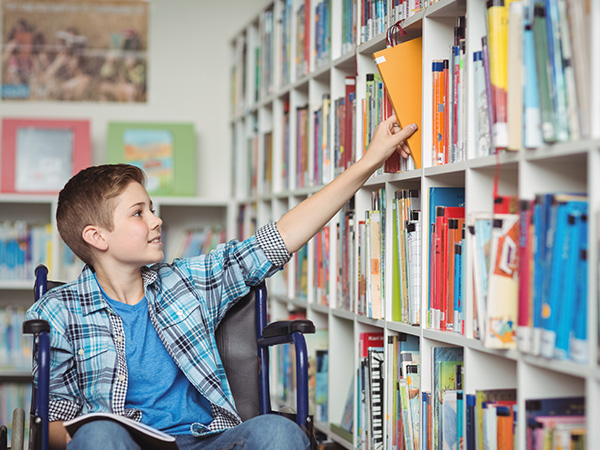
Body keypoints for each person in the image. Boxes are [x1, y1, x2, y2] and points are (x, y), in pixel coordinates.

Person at [26, 116, 417, 450]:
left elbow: (278, 239)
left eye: (153, 209)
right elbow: (51, 425)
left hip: (208, 439)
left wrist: (368, 162)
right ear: (97, 237)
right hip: (125, 444)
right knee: (96, 436)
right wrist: (100, 431)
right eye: (138, 213)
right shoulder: (58, 312)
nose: (156, 221)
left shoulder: (187, 282)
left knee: (279, 432)